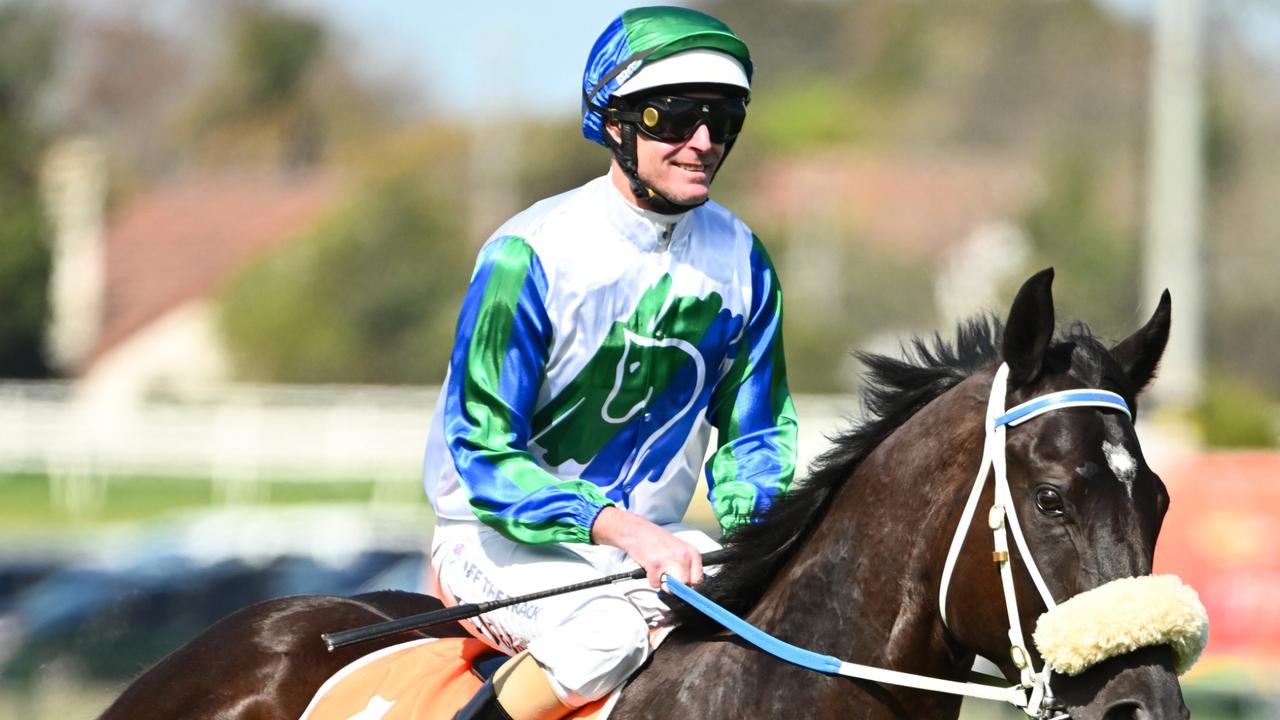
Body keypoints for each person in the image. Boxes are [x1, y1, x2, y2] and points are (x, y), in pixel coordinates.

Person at [421, 7, 797, 719]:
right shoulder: (528, 256)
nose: (703, 141)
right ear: (616, 124)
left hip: (650, 549)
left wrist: (767, 540)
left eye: (723, 118)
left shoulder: (744, 261)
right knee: (610, 634)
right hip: (494, 539)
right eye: (675, 117)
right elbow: (485, 456)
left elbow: (754, 436)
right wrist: (622, 528)